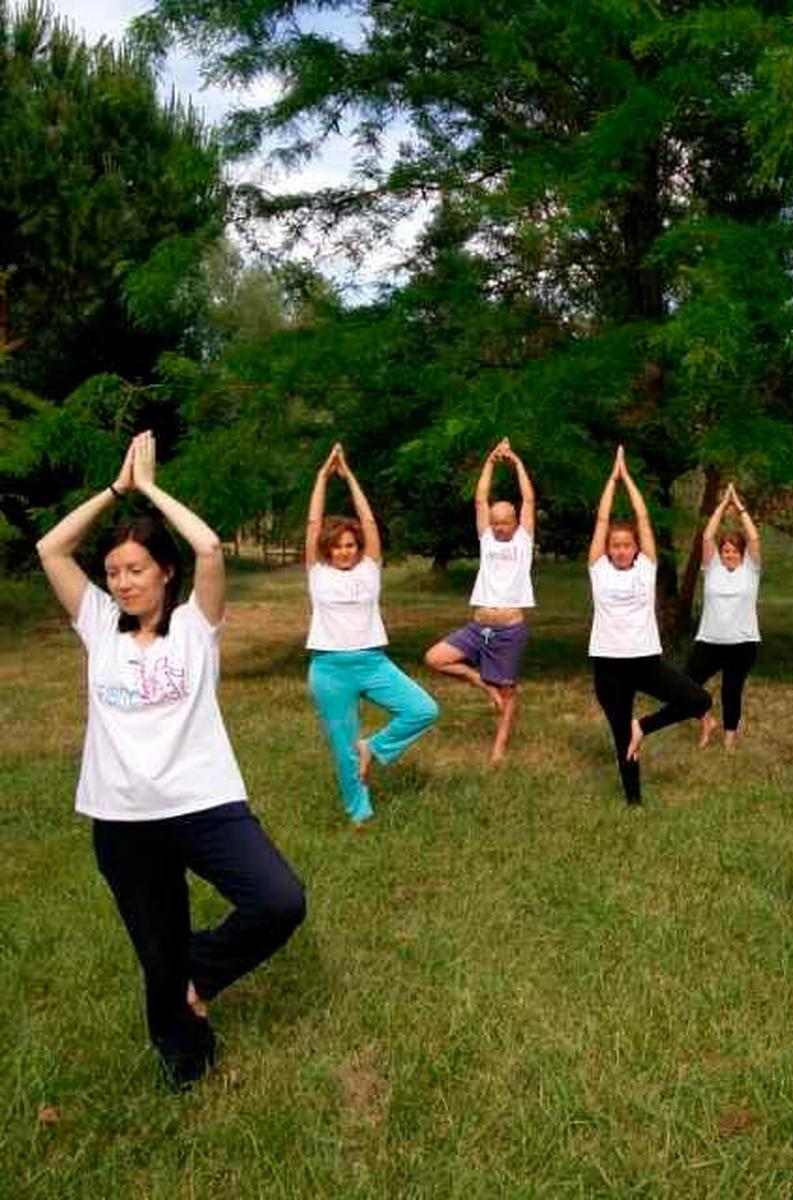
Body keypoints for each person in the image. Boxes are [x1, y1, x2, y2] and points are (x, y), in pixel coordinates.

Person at [36, 431, 306, 1088]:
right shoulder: (98, 624)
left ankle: (190, 974)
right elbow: (50, 547)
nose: (123, 583)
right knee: (155, 948)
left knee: (278, 901)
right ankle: (190, 1068)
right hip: (122, 819)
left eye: (136, 569)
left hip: (204, 805)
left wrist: (150, 489)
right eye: (114, 573)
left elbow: (210, 545)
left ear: (165, 571)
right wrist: (113, 491)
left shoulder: (195, 627)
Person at [306, 443, 438, 823]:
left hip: (373, 661)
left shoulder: (369, 568)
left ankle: (374, 747)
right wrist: (321, 478)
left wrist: (350, 478)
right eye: (337, 547)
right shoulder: (318, 572)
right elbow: (313, 525)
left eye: (350, 545)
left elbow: (370, 524)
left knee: (423, 709)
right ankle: (359, 812)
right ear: (326, 551)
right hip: (329, 668)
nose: (345, 552)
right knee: (341, 745)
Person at [588, 446, 711, 804]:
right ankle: (634, 803)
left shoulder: (646, 568)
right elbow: (601, 520)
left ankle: (643, 726)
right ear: (609, 550)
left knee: (698, 698)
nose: (622, 550)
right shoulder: (598, 570)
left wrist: (629, 480)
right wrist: (612, 481)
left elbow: (643, 520)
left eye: (627, 545)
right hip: (609, 666)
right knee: (620, 739)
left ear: (636, 548)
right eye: (616, 545)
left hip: (645, 662)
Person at [424, 438, 536, 764]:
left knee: (508, 692)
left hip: (510, 629)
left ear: (516, 522)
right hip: (479, 626)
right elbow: (479, 500)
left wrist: (515, 462)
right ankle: (481, 682)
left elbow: (528, 498)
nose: (500, 527)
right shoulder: (486, 539)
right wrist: (489, 461)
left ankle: (499, 748)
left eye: (506, 522)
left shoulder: (523, 541)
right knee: (435, 658)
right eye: (496, 522)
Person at [685, 483, 762, 750]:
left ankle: (730, 738)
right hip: (710, 640)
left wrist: (739, 508)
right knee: (686, 684)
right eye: (725, 550)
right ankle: (706, 719)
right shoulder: (712, 569)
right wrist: (721, 505)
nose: (729, 554)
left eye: (734, 551)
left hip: (742, 644)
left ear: (742, 555)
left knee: (732, 690)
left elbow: (753, 539)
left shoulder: (751, 571)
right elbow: (707, 536)